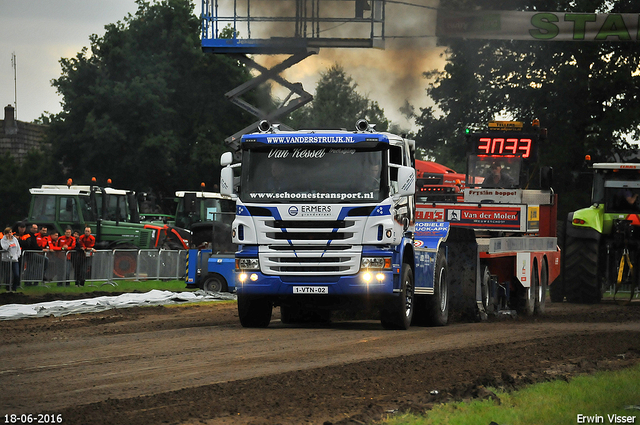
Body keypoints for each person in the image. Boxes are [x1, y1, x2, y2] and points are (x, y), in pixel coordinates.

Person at [1, 227, 22, 291]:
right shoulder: (2, 240)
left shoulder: (15, 239)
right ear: (5, 234)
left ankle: (14, 288)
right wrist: (8, 241)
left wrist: (18, 255)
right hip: (6, 260)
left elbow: (18, 248)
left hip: (14, 259)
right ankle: (8, 288)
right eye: (7, 233)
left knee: (16, 275)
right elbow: (5, 248)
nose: (9, 234)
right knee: (8, 275)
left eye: (10, 232)